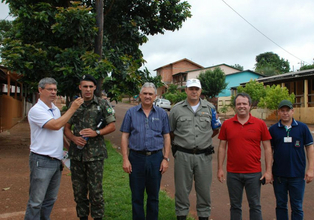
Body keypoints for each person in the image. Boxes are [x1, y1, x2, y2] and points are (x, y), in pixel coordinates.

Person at [25, 77, 83, 220]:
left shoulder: (55, 110)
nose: (53, 92)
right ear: (40, 90)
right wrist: (72, 109)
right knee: (36, 201)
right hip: (42, 160)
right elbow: (56, 125)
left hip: (56, 161)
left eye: (55, 90)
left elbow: (58, 133)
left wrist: (69, 148)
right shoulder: (36, 110)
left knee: (50, 199)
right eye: (49, 89)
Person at [64, 75, 116, 220]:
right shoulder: (74, 105)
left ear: (94, 88)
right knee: (79, 192)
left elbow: (112, 126)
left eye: (90, 86)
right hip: (77, 155)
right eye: (85, 86)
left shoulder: (103, 104)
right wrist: (74, 138)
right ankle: (82, 217)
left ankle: (98, 217)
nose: (88, 89)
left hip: (95, 156)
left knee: (96, 192)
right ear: (80, 87)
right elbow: (66, 128)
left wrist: (96, 132)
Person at [169, 78, 219, 220]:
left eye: (196, 89)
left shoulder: (210, 108)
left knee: (204, 190)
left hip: (204, 156)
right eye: (191, 88)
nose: (194, 91)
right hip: (183, 155)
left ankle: (203, 216)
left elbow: (215, 129)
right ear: (186, 90)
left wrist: (204, 139)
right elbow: (171, 131)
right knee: (181, 191)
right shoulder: (176, 109)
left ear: (200, 91)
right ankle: (181, 215)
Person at [217, 92, 273, 220]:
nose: (242, 106)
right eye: (239, 104)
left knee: (255, 205)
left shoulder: (260, 124)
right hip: (233, 173)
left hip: (253, 173)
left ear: (250, 105)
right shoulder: (227, 124)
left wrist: (268, 171)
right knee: (235, 206)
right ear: (235, 106)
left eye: (244, 104)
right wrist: (220, 168)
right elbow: (222, 147)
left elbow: (267, 148)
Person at [120, 82, 171, 220]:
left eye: (150, 94)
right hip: (136, 158)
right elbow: (125, 135)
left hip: (156, 159)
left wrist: (165, 159)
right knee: (137, 196)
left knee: (153, 196)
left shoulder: (162, 114)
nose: (147, 96)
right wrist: (125, 159)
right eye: (145, 93)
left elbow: (166, 136)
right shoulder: (131, 113)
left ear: (155, 96)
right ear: (140, 95)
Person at [269, 100, 314, 220]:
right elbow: (269, 152)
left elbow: (310, 148)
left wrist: (311, 169)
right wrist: (269, 171)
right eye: (282, 111)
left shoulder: (302, 128)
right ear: (278, 112)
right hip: (279, 175)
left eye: (287, 110)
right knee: (281, 205)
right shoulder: (273, 130)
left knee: (297, 206)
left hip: (297, 175)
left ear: (292, 111)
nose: (285, 113)